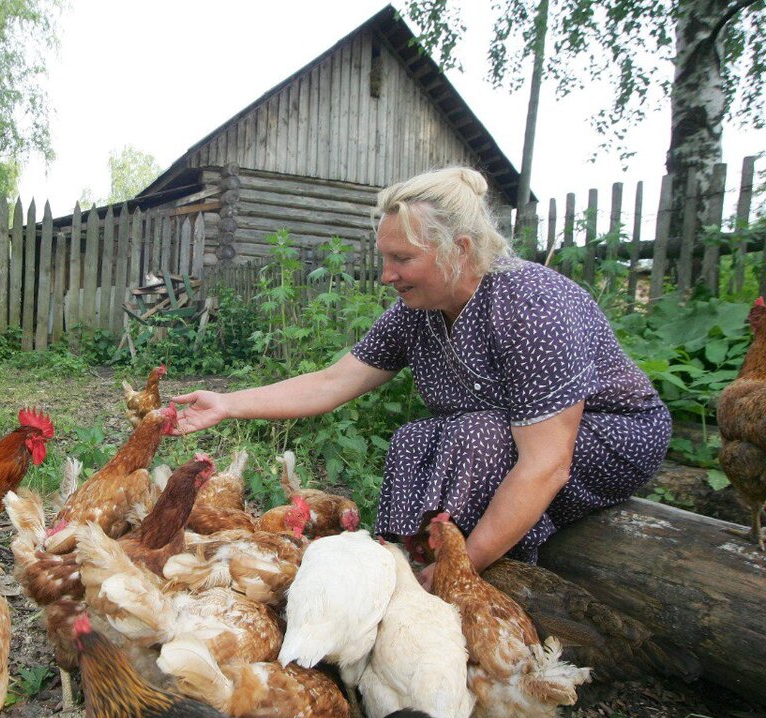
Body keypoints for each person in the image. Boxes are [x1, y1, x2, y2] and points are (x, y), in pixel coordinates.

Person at [173, 166, 670, 581]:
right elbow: (332, 381)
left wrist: (463, 565)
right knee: (415, 437)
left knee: (476, 433)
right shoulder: (417, 313)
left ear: (460, 248)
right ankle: (402, 565)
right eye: (385, 258)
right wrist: (228, 402)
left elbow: (547, 463)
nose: (386, 274)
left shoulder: (531, 305)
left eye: (402, 258)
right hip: (505, 442)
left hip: (608, 438)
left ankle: (471, 578)